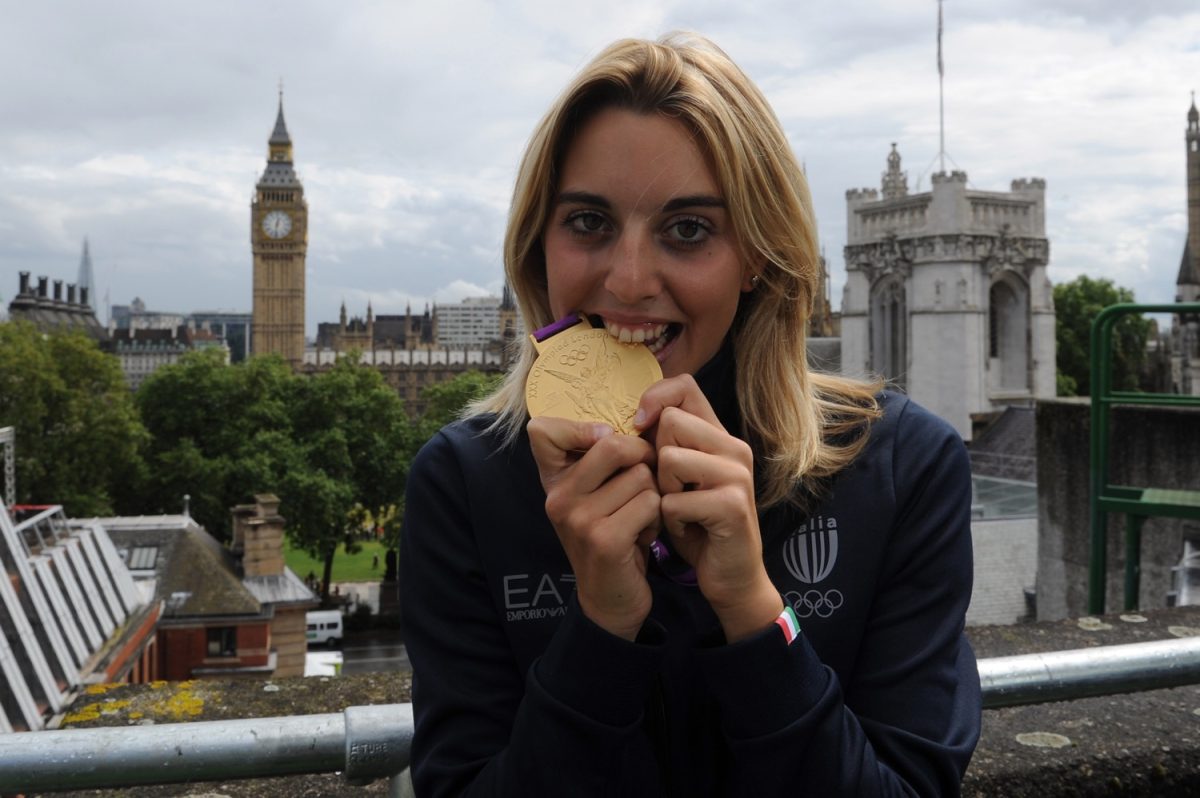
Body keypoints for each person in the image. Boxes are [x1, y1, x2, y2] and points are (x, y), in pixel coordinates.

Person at [400, 33, 981, 796]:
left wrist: (751, 610)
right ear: (537, 244)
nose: (631, 279)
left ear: (760, 258)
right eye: (588, 222)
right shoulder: (464, 481)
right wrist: (602, 626)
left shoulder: (903, 466)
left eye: (689, 230)